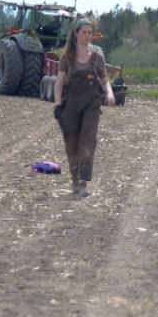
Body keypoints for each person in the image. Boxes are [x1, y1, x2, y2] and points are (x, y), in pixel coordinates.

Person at [53, 17, 116, 197]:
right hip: (71, 106)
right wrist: (58, 105)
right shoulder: (66, 58)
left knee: (87, 142)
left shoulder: (97, 58)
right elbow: (58, 84)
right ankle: (74, 180)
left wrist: (110, 94)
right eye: (84, 32)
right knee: (71, 145)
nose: (87, 36)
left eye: (90, 32)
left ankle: (83, 184)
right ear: (76, 34)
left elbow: (105, 82)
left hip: (91, 105)